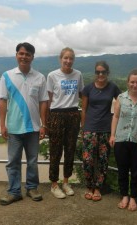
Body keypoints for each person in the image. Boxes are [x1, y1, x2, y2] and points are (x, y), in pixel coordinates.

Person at [0, 42, 49, 205]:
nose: (24, 57)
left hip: (33, 128)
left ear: (32, 57)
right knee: (13, 162)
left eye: (28, 54)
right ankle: (14, 191)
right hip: (14, 128)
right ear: (16, 55)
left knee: (32, 161)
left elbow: (43, 103)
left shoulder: (39, 77)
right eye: (21, 53)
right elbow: (3, 101)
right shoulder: (7, 76)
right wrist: (2, 125)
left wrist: (43, 125)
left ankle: (32, 188)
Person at [46, 47, 84, 199]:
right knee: (55, 151)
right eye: (65, 58)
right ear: (60, 59)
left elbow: (82, 95)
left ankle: (66, 182)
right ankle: (54, 184)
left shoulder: (78, 75)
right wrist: (47, 121)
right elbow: (48, 99)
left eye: (71, 58)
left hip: (73, 113)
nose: (68, 61)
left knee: (70, 150)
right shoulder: (52, 76)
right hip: (56, 114)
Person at [81, 61, 121, 201]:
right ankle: (89, 186)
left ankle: (98, 187)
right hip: (90, 128)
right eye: (98, 72)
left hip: (105, 128)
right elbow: (84, 109)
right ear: (95, 73)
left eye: (103, 72)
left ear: (107, 73)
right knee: (88, 159)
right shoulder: (88, 88)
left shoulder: (113, 88)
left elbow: (121, 102)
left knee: (103, 160)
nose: (100, 74)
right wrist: (83, 127)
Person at [109, 69, 137, 211]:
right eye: (132, 82)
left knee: (136, 171)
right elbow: (116, 116)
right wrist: (113, 135)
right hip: (121, 138)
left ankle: (133, 197)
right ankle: (124, 195)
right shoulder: (121, 98)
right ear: (128, 82)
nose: (134, 85)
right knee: (122, 169)